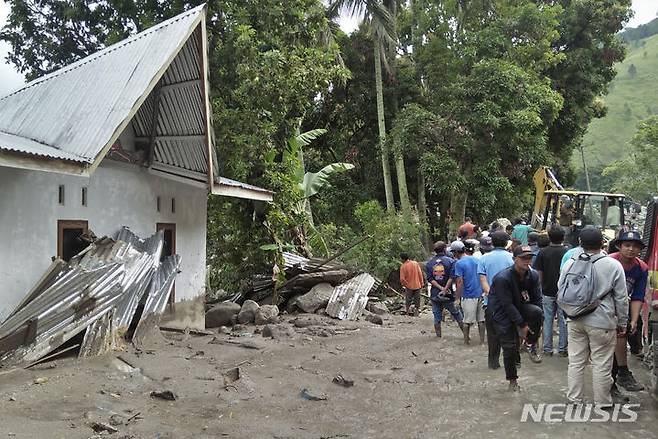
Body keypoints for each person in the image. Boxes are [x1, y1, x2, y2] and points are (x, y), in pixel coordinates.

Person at [559, 228, 629, 406]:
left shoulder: (570, 263)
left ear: (580, 243)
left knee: (575, 362)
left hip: (574, 320)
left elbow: (561, 289)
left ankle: (574, 399)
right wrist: (622, 322)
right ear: (602, 243)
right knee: (601, 364)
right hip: (602, 322)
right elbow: (621, 298)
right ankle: (603, 402)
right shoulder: (613, 265)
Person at [488, 245, 543, 390]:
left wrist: (536, 324)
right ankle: (512, 380)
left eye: (529, 258)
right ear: (514, 259)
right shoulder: (502, 278)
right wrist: (522, 325)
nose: (527, 262)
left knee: (537, 312)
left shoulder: (533, 275)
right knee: (510, 347)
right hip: (502, 312)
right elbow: (507, 305)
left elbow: (537, 299)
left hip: (521, 306)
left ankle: (530, 344)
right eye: (523, 258)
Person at [608, 230, 648, 392]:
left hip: (623, 307)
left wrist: (633, 319)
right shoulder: (608, 262)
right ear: (619, 246)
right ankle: (613, 382)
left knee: (622, 336)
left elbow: (638, 296)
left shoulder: (641, 268)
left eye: (635, 246)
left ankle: (619, 376)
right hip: (603, 308)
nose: (631, 249)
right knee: (606, 350)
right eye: (627, 245)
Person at [478, 231, 514, 369]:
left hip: (490, 303)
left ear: (492, 242)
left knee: (492, 335)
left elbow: (483, 280)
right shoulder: (511, 258)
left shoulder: (484, 259)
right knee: (510, 334)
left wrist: (493, 294)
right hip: (509, 303)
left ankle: (493, 363)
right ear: (506, 243)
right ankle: (512, 363)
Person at [533, 226, 568, 357]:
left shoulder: (543, 252)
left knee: (547, 320)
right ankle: (563, 349)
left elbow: (539, 273)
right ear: (563, 237)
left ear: (549, 237)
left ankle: (547, 349)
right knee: (563, 321)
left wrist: (540, 289)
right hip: (563, 292)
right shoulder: (566, 252)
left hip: (547, 292)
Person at [426, 242, 463, 337]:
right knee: (457, 315)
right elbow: (452, 277)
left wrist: (440, 288)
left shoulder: (429, 263)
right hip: (448, 295)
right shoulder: (451, 262)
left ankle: (438, 337)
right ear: (445, 249)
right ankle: (466, 336)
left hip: (435, 294)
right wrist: (445, 289)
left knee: (437, 317)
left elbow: (430, 279)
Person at [453, 240, 485, 344]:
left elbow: (459, 282)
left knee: (466, 321)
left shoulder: (459, 264)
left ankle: (466, 342)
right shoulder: (477, 260)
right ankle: (482, 342)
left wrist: (457, 298)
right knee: (481, 320)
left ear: (456, 252)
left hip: (468, 295)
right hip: (480, 293)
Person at [399, 253, 424, 317]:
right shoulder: (415, 263)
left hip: (409, 286)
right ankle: (417, 312)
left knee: (408, 300)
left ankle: (407, 312)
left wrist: (405, 284)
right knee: (417, 300)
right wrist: (422, 283)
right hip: (417, 285)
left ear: (403, 259)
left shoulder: (403, 266)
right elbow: (420, 273)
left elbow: (402, 279)